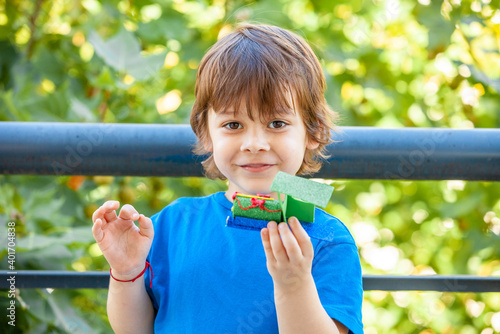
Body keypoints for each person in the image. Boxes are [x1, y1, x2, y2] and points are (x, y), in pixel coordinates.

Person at [91, 23, 363, 334]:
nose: (254, 143)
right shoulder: (171, 224)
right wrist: (126, 271)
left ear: (313, 131)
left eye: (276, 122)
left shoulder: (328, 239)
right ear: (206, 133)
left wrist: (294, 283)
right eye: (233, 125)